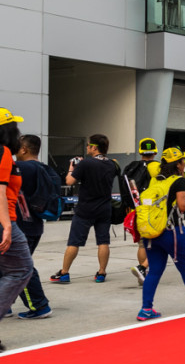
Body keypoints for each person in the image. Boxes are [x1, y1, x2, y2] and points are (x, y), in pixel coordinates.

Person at [136, 147, 185, 320]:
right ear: (178, 164)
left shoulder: (154, 180)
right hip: (172, 232)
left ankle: (146, 309)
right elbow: (183, 206)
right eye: (183, 161)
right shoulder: (178, 181)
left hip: (152, 232)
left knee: (154, 271)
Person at [51, 133, 117, 284]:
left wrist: (72, 167)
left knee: (74, 242)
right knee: (103, 241)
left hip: (85, 208)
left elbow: (69, 181)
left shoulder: (86, 164)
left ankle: (64, 272)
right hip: (105, 208)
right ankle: (101, 273)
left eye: (88, 145)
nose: (87, 147)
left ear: (94, 147)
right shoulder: (111, 164)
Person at [0, 108, 34, 351]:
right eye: (15, 128)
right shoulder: (2, 152)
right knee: (22, 270)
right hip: (4, 220)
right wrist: (6, 227)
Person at [12, 134, 54, 319]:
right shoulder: (44, 168)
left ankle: (39, 305)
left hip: (21, 226)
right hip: (33, 225)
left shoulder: (22, 167)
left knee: (21, 267)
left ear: (23, 150)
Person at [123, 137, 159, 285]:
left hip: (136, 208)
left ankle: (143, 273)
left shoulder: (131, 166)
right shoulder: (158, 167)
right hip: (154, 209)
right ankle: (143, 269)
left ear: (140, 151)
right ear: (155, 152)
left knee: (142, 244)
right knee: (158, 242)